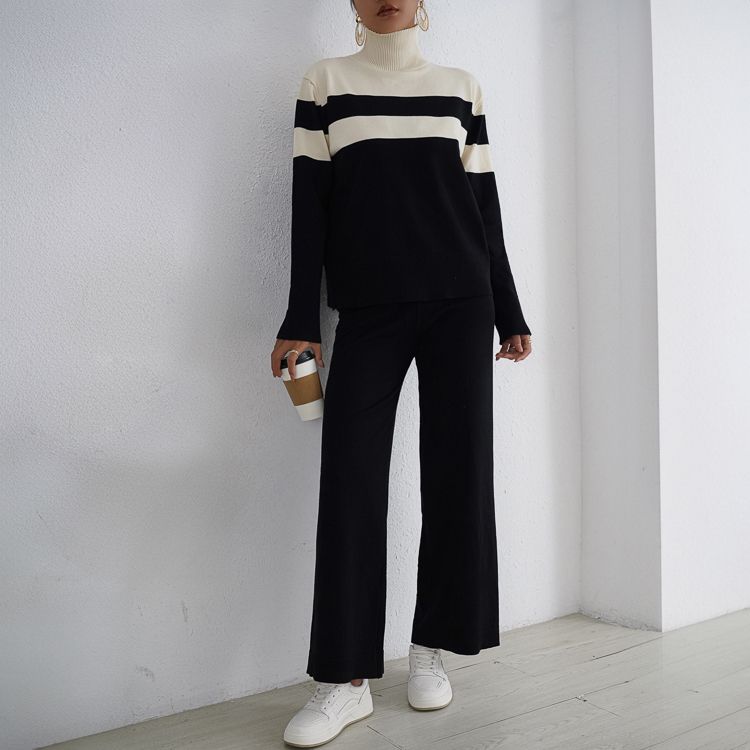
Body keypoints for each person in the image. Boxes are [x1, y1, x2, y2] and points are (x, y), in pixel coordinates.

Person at [270, 1, 533, 746]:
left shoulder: (460, 87)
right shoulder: (325, 83)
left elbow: (483, 206)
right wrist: (299, 320)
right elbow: (310, 208)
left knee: (458, 477)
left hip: (460, 303)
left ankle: (432, 647)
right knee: (350, 483)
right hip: (369, 309)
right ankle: (343, 680)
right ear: (352, 4)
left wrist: (508, 311)